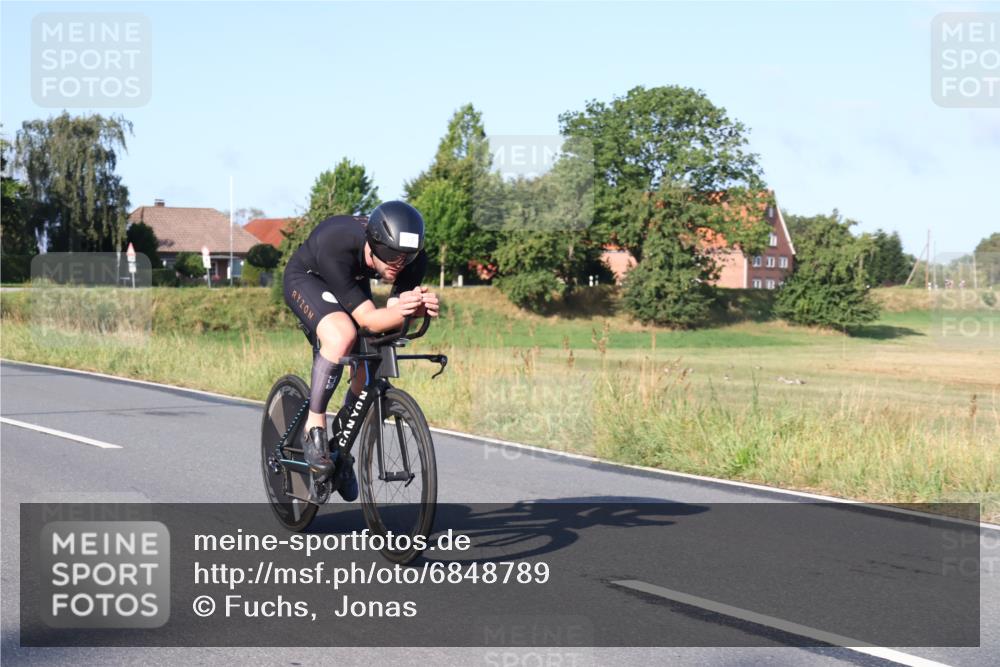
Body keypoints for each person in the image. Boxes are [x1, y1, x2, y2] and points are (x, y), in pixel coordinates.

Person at [282, 201, 439, 500]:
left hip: (350, 280)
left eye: (406, 257)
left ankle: (341, 446)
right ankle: (314, 426)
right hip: (308, 278)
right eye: (391, 255)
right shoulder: (338, 241)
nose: (398, 264)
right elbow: (369, 319)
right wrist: (404, 311)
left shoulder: (411, 259)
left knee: (369, 363)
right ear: (374, 244)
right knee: (342, 335)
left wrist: (417, 309)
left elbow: (391, 314)